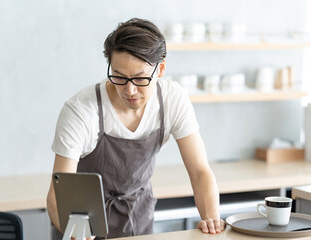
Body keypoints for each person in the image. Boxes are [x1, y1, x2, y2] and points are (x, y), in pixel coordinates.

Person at [46, 18, 225, 239]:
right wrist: (74, 232)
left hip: (138, 219)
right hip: (81, 223)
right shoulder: (81, 111)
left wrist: (211, 220)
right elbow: (58, 193)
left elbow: (199, 172)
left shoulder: (172, 99)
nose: (130, 90)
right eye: (119, 77)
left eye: (140, 79)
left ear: (160, 69)